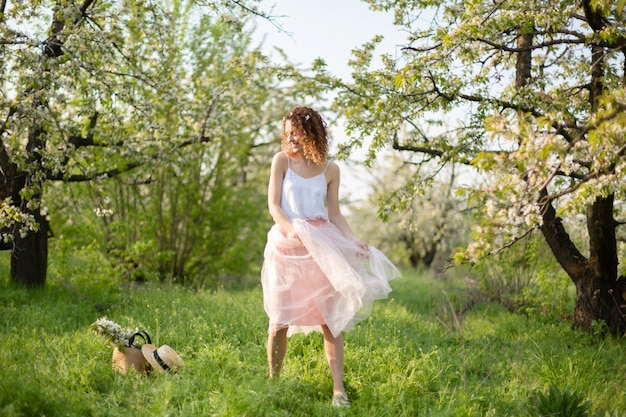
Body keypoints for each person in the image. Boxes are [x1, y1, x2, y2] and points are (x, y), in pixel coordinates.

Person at [261, 105, 400, 408]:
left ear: (311, 132)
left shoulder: (330, 169)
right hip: (287, 247)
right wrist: (291, 230)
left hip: (322, 248)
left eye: (294, 133)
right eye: (286, 134)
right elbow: (274, 206)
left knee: (331, 320)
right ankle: (273, 384)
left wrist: (354, 240)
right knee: (279, 320)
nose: (290, 140)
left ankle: (339, 390)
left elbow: (334, 213)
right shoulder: (281, 161)